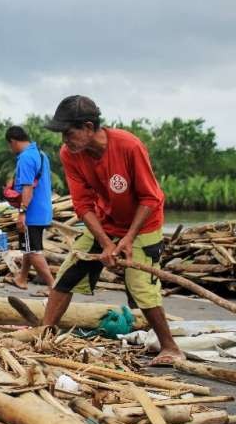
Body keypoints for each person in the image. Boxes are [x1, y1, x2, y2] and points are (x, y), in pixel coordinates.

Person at [43, 95, 183, 366]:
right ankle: (45, 333)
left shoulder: (128, 146)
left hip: (143, 223)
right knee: (68, 273)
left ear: (88, 127)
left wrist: (128, 239)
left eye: (68, 133)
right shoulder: (70, 155)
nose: (65, 141)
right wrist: (107, 243)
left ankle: (170, 347)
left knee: (142, 285)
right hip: (105, 222)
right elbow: (83, 204)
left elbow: (150, 198)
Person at [5, 125, 55, 290]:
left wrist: (22, 213)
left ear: (13, 141)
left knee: (33, 251)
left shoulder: (26, 158)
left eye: (9, 145)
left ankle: (53, 288)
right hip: (43, 210)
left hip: (31, 212)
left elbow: (27, 188)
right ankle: (22, 278)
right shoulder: (40, 154)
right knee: (29, 247)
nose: (10, 149)